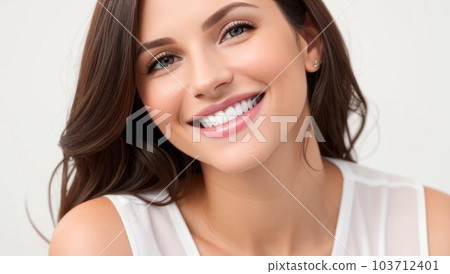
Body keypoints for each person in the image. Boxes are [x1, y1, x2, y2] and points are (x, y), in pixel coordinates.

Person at [47, 0, 449, 255]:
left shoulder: (434, 234)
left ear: (310, 40)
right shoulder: (103, 247)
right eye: (163, 61)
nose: (206, 80)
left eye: (235, 30)